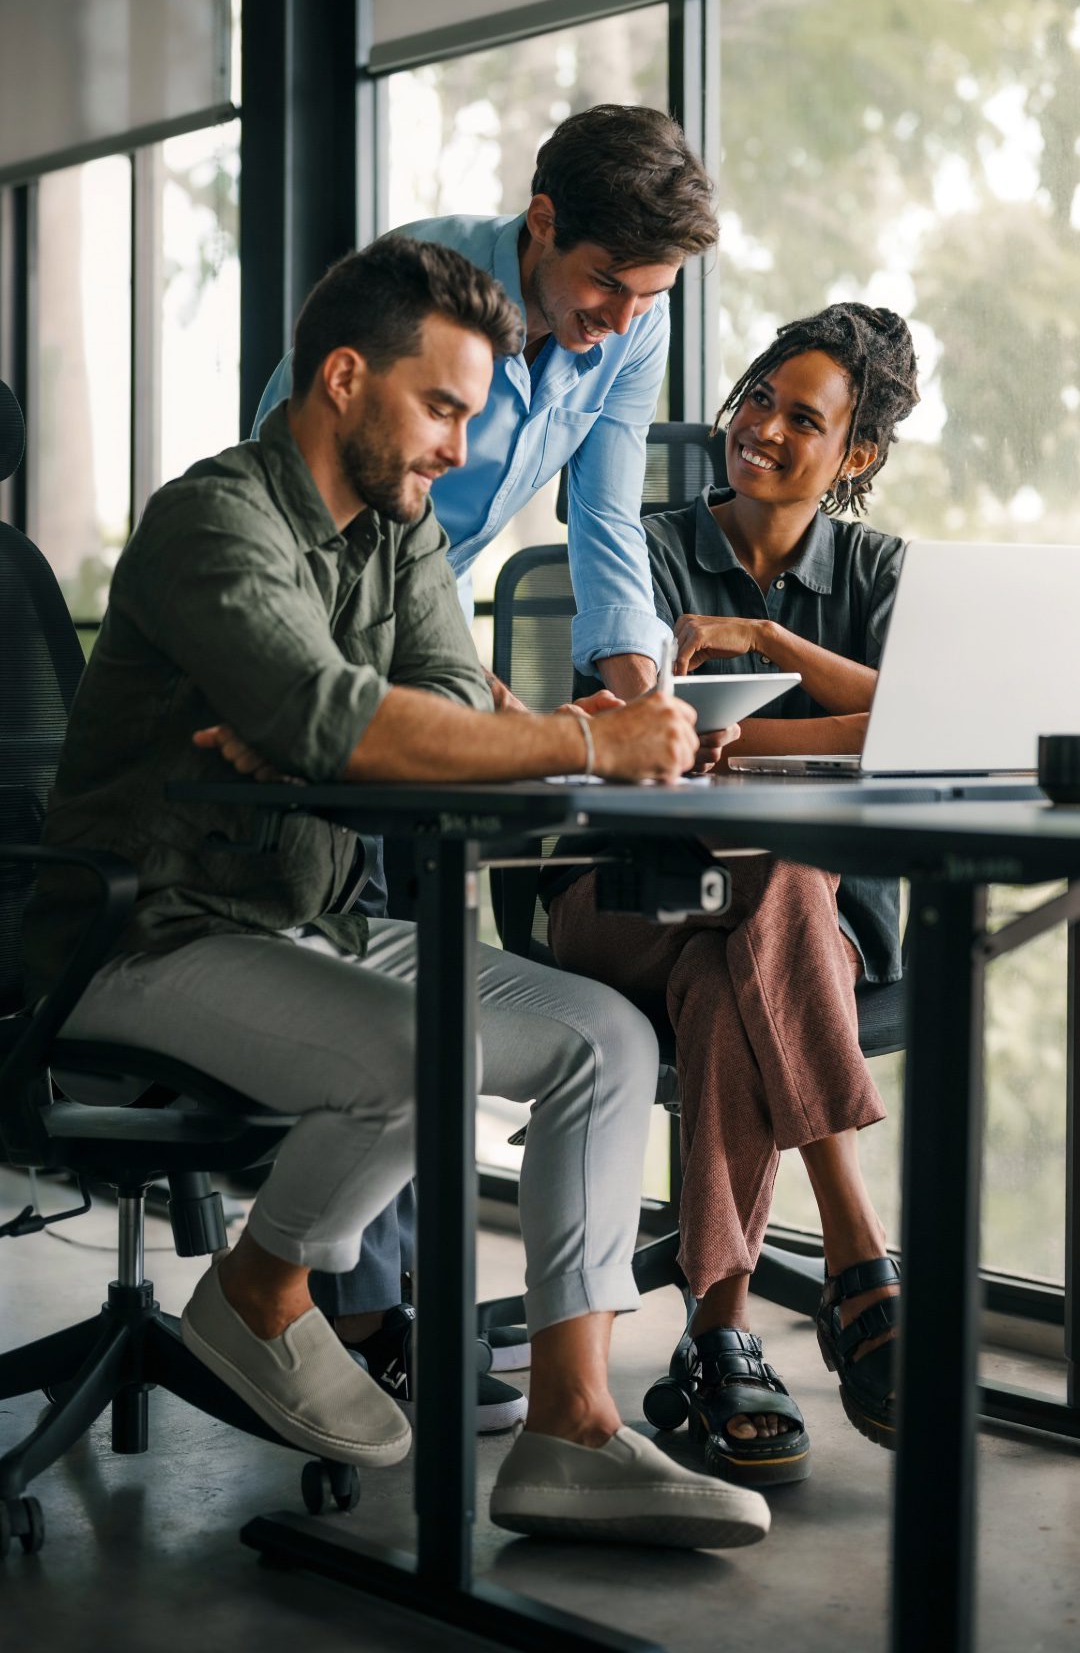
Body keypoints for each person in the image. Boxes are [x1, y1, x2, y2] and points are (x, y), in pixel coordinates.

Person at [22, 236, 768, 1551]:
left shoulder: (403, 528)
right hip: (145, 930)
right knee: (431, 1056)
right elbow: (339, 719)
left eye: (475, 416)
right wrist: (569, 738)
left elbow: (427, 697)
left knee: (609, 1039)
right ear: (345, 378)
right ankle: (258, 1289)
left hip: (315, 912)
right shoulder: (215, 518)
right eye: (441, 409)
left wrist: (358, 719)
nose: (462, 449)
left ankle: (571, 1430)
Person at [251, 103, 719, 1420]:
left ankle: (388, 1312)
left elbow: (606, 511)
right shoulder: (412, 295)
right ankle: (363, 1316)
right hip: (323, 618)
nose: (622, 317)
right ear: (543, 224)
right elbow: (298, 493)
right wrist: (441, 682)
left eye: (650, 295)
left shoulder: (636, 325)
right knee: (376, 983)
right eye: (604, 285)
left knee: (428, 968)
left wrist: (638, 680)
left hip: (429, 615)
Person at [543, 304, 921, 1485]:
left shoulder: (875, 568)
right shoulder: (641, 544)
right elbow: (642, 730)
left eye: (800, 420)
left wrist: (769, 644)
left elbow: (917, 712)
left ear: (855, 456)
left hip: (804, 934)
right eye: (756, 396)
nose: (757, 428)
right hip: (624, 900)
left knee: (734, 971)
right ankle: (858, 1246)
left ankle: (720, 1335)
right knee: (771, 873)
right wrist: (819, 732)